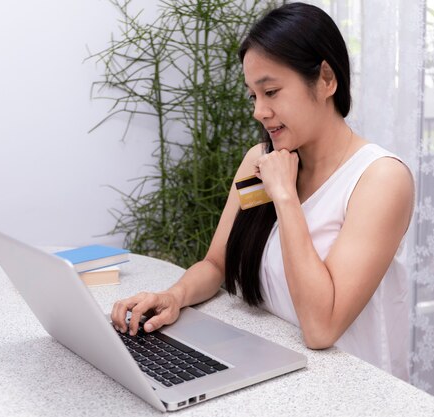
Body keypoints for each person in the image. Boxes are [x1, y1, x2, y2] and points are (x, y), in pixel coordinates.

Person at [111, 2, 414, 381]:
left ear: (325, 80)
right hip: (275, 370)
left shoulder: (382, 179)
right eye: (253, 96)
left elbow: (321, 329)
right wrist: (174, 296)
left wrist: (285, 196)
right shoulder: (261, 160)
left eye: (270, 91)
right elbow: (215, 265)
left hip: (353, 388)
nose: (258, 111)